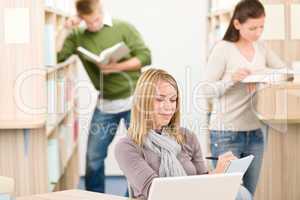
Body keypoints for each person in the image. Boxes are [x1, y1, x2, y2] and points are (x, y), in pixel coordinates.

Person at [57, 0, 151, 193]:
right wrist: (65, 28)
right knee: (93, 158)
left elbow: (145, 56)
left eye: (97, 19)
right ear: (81, 18)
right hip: (106, 103)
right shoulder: (77, 36)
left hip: (134, 101)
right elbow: (57, 57)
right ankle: (94, 196)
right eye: (88, 22)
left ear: (101, 9)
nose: (94, 25)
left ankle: (135, 196)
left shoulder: (123, 27)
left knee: (140, 155)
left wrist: (116, 67)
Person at [115, 69, 252, 200]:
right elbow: (157, 194)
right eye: (160, 99)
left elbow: (203, 178)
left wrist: (222, 175)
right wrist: (214, 176)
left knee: (242, 193)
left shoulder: (187, 137)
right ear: (143, 103)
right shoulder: (127, 147)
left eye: (173, 100)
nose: (169, 107)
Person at [200, 0, 286, 196]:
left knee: (248, 194)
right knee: (226, 193)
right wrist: (231, 79)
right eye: (252, 28)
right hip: (226, 133)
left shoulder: (261, 47)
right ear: (237, 24)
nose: (258, 33)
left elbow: (282, 71)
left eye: (262, 27)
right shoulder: (223, 49)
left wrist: (264, 77)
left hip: (254, 132)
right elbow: (206, 90)